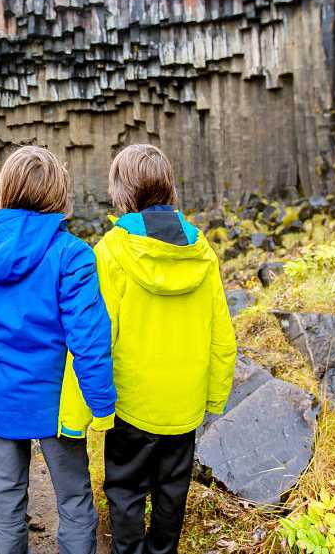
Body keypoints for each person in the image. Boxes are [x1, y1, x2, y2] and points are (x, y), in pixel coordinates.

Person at [0, 145, 117, 554]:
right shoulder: (73, 255)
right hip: (58, 404)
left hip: (2, 396)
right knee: (74, 500)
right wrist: (101, 404)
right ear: (57, 192)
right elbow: (88, 337)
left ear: (4, 188)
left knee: (7, 502)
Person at [94, 144, 237, 554]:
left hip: (132, 403)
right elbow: (221, 335)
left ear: (121, 192)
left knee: (124, 489)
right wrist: (215, 396)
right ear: (169, 187)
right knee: (172, 491)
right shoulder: (202, 250)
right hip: (185, 403)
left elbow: (98, 336)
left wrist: (88, 405)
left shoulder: (112, 251)